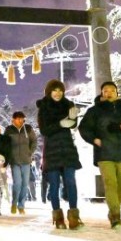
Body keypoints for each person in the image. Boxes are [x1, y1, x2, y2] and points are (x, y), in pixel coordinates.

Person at [79, 81, 121, 229]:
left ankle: (113, 209)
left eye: (112, 90)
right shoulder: (95, 110)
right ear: (102, 93)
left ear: (117, 93)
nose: (109, 93)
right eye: (105, 90)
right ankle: (115, 216)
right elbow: (84, 128)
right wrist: (94, 139)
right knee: (111, 182)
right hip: (104, 152)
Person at [37, 79, 83, 229]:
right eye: (54, 90)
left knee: (71, 182)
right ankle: (58, 218)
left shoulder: (68, 105)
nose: (57, 93)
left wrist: (73, 117)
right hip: (52, 150)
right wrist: (60, 124)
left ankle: (74, 217)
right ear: (49, 92)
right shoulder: (44, 107)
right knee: (55, 184)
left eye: (60, 90)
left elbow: (73, 124)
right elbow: (44, 130)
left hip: (67, 148)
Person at [4, 111, 37, 215]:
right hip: (14, 161)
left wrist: (30, 152)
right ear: (13, 119)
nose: (20, 120)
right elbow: (5, 144)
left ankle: (21, 206)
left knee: (24, 184)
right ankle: (14, 203)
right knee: (17, 183)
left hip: (26, 161)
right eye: (18, 118)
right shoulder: (9, 130)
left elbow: (34, 141)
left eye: (22, 118)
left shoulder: (28, 128)